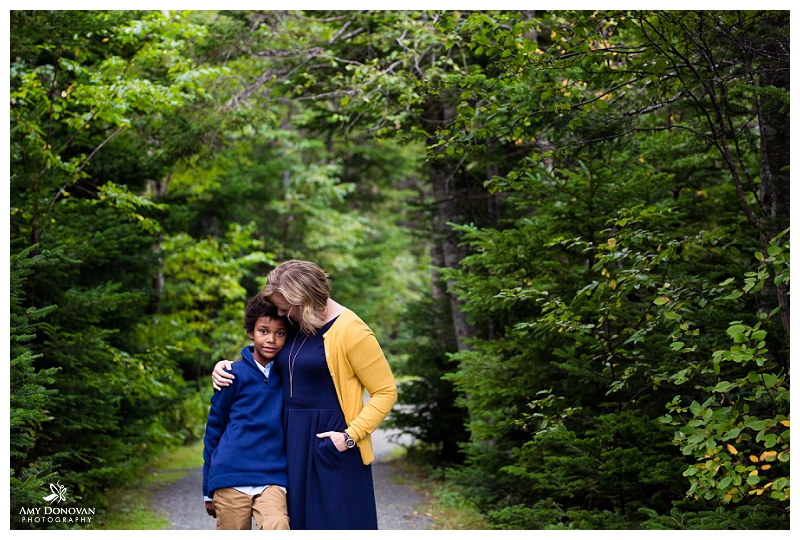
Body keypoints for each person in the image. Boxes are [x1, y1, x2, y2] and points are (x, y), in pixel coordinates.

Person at [212, 259, 397, 530]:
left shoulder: (352, 331)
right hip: (291, 444)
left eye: (285, 308)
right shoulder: (297, 321)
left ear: (306, 301)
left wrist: (348, 437)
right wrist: (227, 366)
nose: (280, 313)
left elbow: (385, 391)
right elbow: (268, 350)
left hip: (331, 442)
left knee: (336, 523)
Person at [202, 294, 291, 530]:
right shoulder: (231, 375)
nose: (271, 339)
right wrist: (207, 489)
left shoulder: (290, 376)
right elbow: (214, 429)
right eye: (263, 331)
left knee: (279, 525)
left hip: (271, 476)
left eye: (280, 333)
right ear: (251, 332)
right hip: (230, 475)